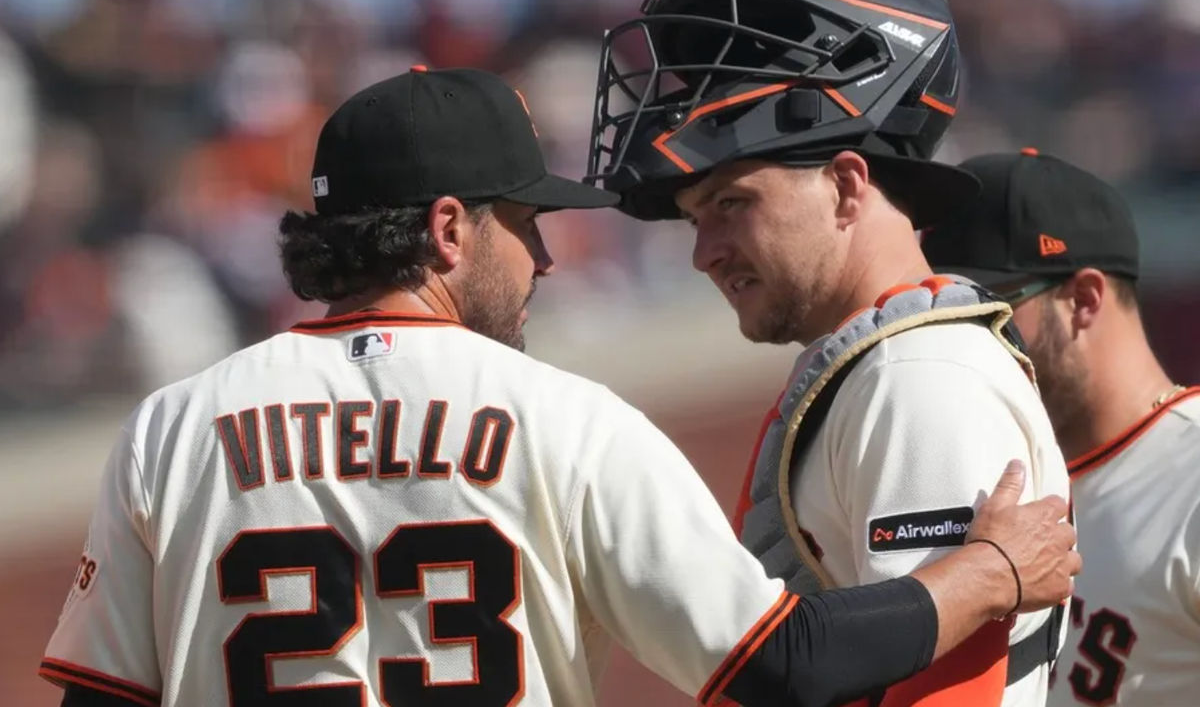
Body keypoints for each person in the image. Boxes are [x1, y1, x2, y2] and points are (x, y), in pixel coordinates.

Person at [38, 68, 1077, 707]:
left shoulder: (172, 429)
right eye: (525, 224)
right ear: (449, 229)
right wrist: (985, 569)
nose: (545, 258)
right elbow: (789, 664)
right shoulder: (567, 419)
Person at [587, 0, 1073, 706]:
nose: (705, 255)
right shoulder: (882, 367)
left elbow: (943, 689)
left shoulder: (921, 380)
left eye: (730, 204)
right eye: (692, 223)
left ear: (847, 186)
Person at [922, 148, 1200, 706]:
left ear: (1084, 299)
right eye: (943, 318)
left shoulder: (1190, 474)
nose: (960, 342)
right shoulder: (989, 494)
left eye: (990, 312)